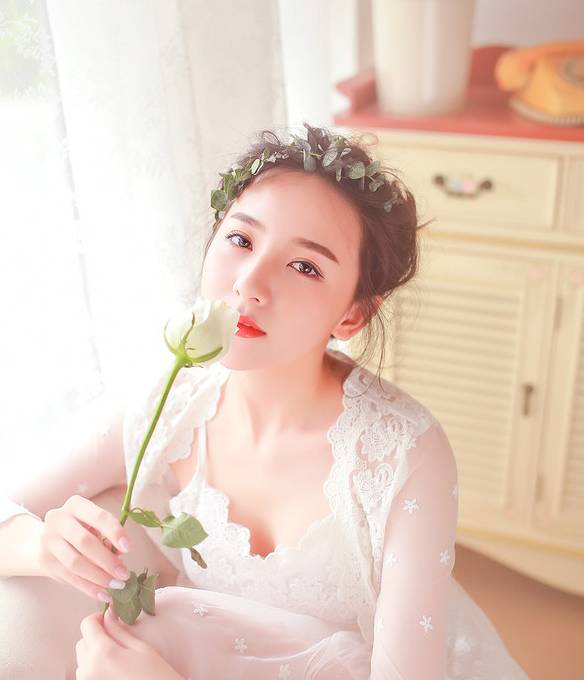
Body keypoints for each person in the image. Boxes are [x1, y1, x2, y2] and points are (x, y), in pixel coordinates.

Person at [0, 123, 530, 679]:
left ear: (353, 314)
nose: (250, 284)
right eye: (242, 240)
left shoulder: (403, 452)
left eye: (305, 266)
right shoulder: (169, 406)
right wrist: (42, 547)